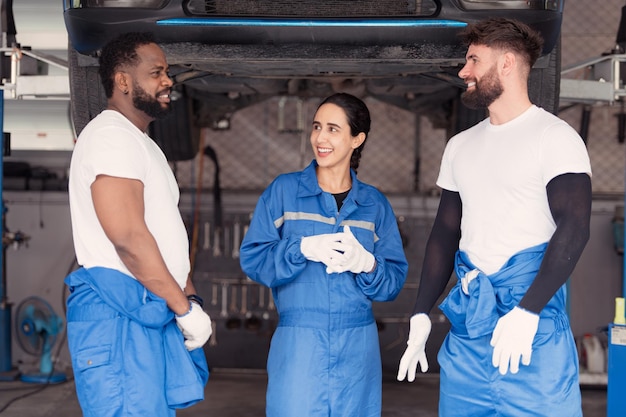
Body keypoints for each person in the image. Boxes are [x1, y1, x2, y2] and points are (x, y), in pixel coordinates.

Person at [396, 17, 592, 417]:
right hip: (469, 329)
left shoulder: (553, 137)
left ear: (506, 63)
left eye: (473, 60)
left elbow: (575, 226)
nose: (463, 71)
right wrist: (421, 311)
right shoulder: (460, 145)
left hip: (530, 330)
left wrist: (528, 310)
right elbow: (444, 233)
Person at [64, 32, 212, 417]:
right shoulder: (112, 137)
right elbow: (128, 238)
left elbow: (162, 235)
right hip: (119, 316)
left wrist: (188, 298)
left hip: (143, 311)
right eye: (156, 72)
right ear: (123, 81)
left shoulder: (140, 142)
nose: (168, 81)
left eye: (167, 72)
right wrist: (183, 308)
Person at [239, 92, 408, 417]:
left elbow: (392, 283)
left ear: (356, 139)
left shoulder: (374, 204)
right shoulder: (285, 191)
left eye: (333, 129)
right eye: (317, 127)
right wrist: (300, 248)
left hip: (358, 344)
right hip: (299, 342)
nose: (320, 137)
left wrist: (368, 264)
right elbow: (254, 259)